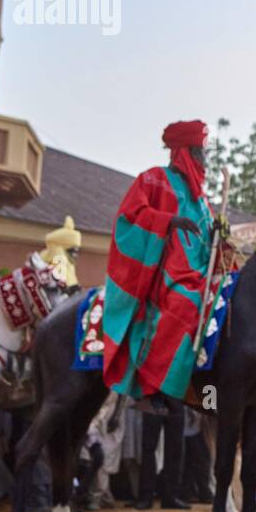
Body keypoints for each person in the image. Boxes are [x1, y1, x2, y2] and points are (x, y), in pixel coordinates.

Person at [101, 120, 220, 407]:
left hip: (200, 272)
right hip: (166, 274)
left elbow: (205, 241)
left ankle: (210, 394)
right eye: (200, 152)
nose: (205, 159)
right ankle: (154, 386)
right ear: (185, 152)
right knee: (186, 303)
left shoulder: (201, 200)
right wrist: (168, 222)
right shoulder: (153, 179)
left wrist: (219, 236)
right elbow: (130, 218)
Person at [40, 215, 82, 290]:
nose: (75, 254)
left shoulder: (69, 263)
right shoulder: (58, 256)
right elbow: (62, 281)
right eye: (72, 250)